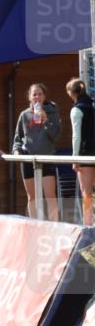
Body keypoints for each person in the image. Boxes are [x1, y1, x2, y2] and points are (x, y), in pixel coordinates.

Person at [12, 83, 62, 220]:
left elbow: (56, 135)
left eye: (40, 94)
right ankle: (34, 224)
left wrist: (46, 120)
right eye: (34, 94)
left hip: (46, 157)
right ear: (29, 97)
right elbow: (18, 138)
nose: (37, 97)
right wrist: (16, 151)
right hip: (29, 158)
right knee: (32, 196)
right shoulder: (24, 115)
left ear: (44, 96)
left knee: (50, 195)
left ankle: (54, 225)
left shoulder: (52, 111)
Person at [66, 78, 94, 226]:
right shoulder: (93, 104)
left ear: (71, 93)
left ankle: (88, 226)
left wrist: (75, 158)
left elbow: (76, 136)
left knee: (87, 193)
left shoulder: (76, 110)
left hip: (85, 154)